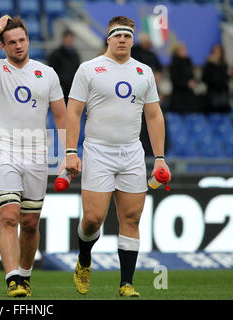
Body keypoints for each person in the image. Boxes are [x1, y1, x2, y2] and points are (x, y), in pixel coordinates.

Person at [65, 16, 171, 298]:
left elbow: (153, 114)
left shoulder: (144, 71)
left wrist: (159, 157)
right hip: (98, 150)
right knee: (93, 219)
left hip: (132, 152)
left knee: (132, 219)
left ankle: (126, 284)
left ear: (133, 39)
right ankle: (84, 259)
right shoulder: (89, 69)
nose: (122, 39)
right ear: (108, 39)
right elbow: (73, 111)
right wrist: (71, 151)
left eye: (127, 35)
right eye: (117, 35)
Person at [0, 16, 67, 297]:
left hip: (37, 152)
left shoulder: (47, 73)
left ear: (29, 41)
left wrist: (66, 155)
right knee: (9, 217)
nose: (18, 45)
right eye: (11, 42)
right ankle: (12, 279)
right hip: (4, 149)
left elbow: (60, 115)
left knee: (30, 223)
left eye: (22, 40)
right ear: (3, 46)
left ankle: (25, 275)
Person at [47, 29, 81, 104]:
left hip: (72, 90)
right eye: (67, 39)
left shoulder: (75, 54)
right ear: (63, 39)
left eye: (71, 39)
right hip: (60, 90)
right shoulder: (55, 54)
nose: (69, 41)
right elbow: (51, 71)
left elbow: (78, 70)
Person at [202, 44, 231, 113]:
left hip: (223, 92)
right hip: (212, 93)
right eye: (215, 51)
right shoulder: (209, 64)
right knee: (214, 111)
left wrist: (228, 75)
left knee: (224, 111)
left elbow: (226, 78)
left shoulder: (224, 63)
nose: (217, 53)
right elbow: (204, 78)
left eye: (219, 51)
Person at [168, 42, 198, 113]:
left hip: (189, 95)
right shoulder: (174, 63)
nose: (184, 52)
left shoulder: (188, 61)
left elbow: (192, 75)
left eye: (184, 50)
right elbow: (175, 79)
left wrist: (193, 82)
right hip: (178, 95)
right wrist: (187, 84)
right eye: (181, 50)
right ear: (176, 51)